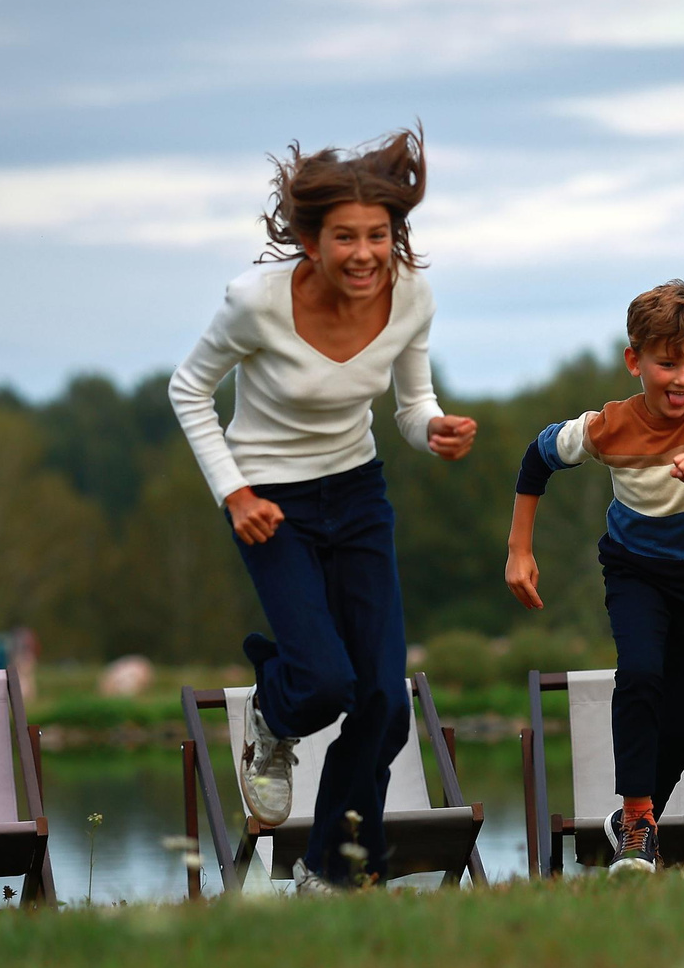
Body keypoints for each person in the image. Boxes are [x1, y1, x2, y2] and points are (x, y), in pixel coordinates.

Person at [169, 131, 478, 890]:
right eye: (346, 236)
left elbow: (411, 403)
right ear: (309, 239)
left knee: (384, 704)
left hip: (359, 492)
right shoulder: (255, 304)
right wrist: (234, 492)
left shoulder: (411, 295)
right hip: (270, 500)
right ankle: (274, 710)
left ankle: (334, 872)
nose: (366, 253)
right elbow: (188, 389)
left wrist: (432, 428)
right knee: (326, 685)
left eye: (379, 235)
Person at [504, 281, 684, 873]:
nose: (683, 379)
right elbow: (537, 457)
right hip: (638, 572)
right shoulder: (610, 427)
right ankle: (636, 823)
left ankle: (635, 815)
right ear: (635, 362)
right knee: (640, 673)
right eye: (667, 364)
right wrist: (519, 549)